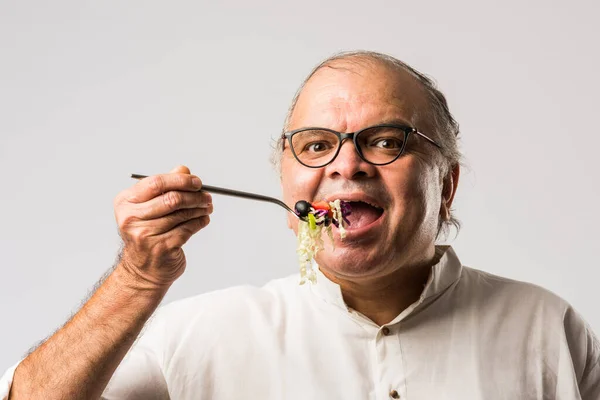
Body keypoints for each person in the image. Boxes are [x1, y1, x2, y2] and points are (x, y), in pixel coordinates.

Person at [2, 51, 599, 400]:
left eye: (386, 141)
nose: (346, 164)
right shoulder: (201, 338)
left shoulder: (549, 331)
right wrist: (135, 280)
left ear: (445, 186)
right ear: (288, 185)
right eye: (315, 145)